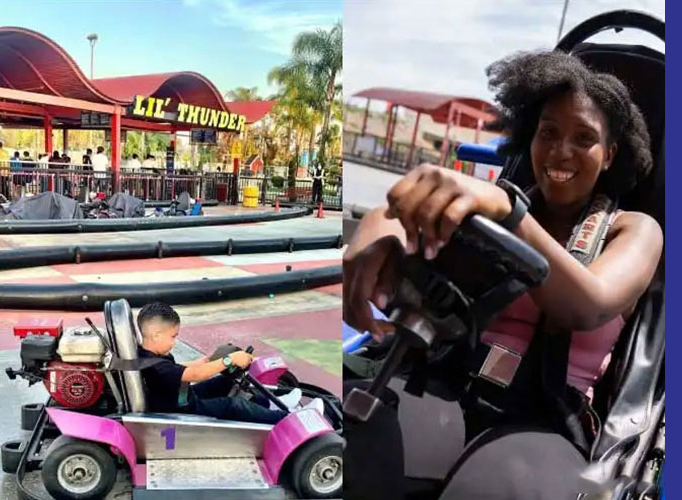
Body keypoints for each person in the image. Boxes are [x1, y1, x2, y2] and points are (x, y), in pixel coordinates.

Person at [343, 51, 662, 499]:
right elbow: (401, 215)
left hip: (546, 422)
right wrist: (380, 225)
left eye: (583, 138)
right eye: (548, 133)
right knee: (360, 445)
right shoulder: (491, 204)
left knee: (498, 485)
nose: (561, 151)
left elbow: (588, 304)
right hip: (449, 383)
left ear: (609, 155)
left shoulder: (634, 229)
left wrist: (509, 213)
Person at [137, 302, 324, 425]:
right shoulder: (156, 367)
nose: (174, 342)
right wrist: (229, 360)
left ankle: (271, 404)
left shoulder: (148, 356)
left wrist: (206, 360)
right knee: (233, 405)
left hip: (180, 397)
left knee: (224, 383)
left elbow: (179, 370)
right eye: (173, 337)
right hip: (179, 409)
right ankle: (291, 419)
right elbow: (194, 375)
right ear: (156, 335)